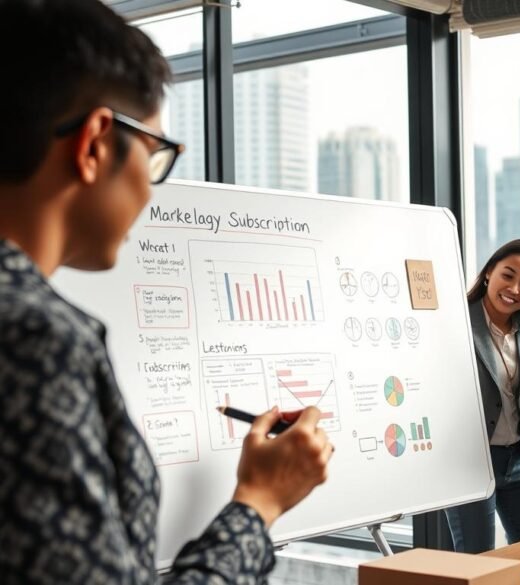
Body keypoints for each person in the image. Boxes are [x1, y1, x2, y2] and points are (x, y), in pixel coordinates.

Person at [0, 1, 331, 581]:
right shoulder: (34, 339)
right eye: (155, 155)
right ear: (97, 142)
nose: (151, 193)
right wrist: (260, 502)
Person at [444, 239, 520, 552]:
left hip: (519, 460)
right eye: (508, 275)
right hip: (470, 461)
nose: (514, 288)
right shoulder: (455, 322)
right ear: (489, 271)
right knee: (477, 559)